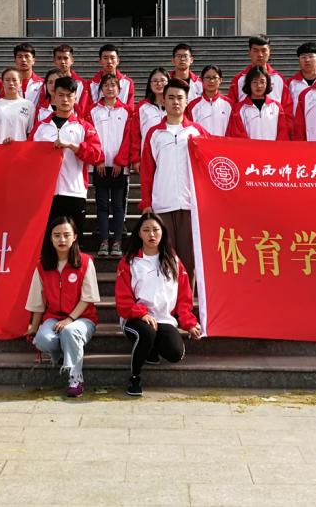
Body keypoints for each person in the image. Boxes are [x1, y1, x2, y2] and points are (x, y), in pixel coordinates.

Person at [115, 211, 202, 398]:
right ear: (139, 234)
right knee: (146, 332)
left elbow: (184, 297)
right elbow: (123, 300)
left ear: (163, 231)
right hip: (135, 318)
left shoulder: (173, 260)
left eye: (155, 230)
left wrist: (189, 323)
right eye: (146, 230)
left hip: (164, 319)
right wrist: (141, 314)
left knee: (176, 353)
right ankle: (135, 377)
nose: (151, 234)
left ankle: (150, 350)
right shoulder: (129, 262)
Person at [139, 78, 209, 280]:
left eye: (180, 98)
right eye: (171, 97)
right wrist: (146, 202)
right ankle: (168, 299)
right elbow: (147, 171)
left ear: (187, 102)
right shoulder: (154, 133)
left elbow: (209, 166)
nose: (175, 102)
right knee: (166, 259)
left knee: (189, 261)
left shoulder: (197, 132)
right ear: (163, 101)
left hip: (190, 205)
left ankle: (186, 301)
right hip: (162, 204)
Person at [25, 217, 100, 398]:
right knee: (43, 340)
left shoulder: (85, 262)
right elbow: (37, 301)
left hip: (83, 318)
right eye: (57, 235)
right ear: (50, 238)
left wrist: (70, 319)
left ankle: (76, 378)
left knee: (70, 332)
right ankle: (62, 354)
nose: (62, 239)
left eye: (66, 235)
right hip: (53, 317)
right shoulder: (43, 265)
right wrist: (34, 328)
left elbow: (88, 298)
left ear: (75, 237)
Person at [30, 76, 104, 229]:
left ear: (75, 97)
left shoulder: (84, 127)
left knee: (74, 238)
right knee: (47, 238)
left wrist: (72, 146)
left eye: (69, 96)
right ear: (53, 96)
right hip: (45, 193)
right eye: (61, 95)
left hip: (74, 191)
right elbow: (28, 155)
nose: (65, 99)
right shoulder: (40, 127)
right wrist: (12, 145)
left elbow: (96, 156)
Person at [86, 73, 132, 258]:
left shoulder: (127, 111)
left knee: (118, 206)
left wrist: (121, 161)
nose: (110, 88)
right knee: (102, 205)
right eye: (106, 85)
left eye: (113, 85)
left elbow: (129, 138)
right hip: (100, 166)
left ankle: (117, 242)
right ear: (101, 89)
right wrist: (97, 159)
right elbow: (90, 136)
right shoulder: (92, 111)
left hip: (119, 167)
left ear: (119, 89)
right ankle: (104, 241)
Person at [228, 35, 293, 114]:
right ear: (249, 53)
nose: (260, 55)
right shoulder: (239, 79)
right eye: (255, 51)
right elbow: (232, 109)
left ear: (269, 52)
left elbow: (287, 110)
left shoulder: (279, 79)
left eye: (263, 50)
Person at [227, 66, 292, 141]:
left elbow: (283, 133)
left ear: (267, 84)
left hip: (273, 148)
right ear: (249, 84)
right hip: (248, 148)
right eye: (255, 82)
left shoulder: (276, 107)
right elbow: (237, 134)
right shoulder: (239, 109)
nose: (259, 86)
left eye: (262, 82)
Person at [126, 67, 170, 171]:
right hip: (148, 157)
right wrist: (136, 158)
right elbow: (135, 134)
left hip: (171, 155)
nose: (159, 84)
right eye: (155, 81)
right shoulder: (142, 106)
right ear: (150, 84)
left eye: (162, 80)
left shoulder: (174, 105)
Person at [0, 67, 34, 145]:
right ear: (3, 83)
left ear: (20, 83)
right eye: (7, 80)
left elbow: (30, 133)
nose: (11, 83)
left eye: (14, 80)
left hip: (20, 150)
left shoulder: (29, 105)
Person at [185, 64, 236, 137]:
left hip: (223, 143)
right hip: (201, 143)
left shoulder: (229, 104)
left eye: (214, 77)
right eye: (208, 77)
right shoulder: (192, 106)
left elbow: (233, 130)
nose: (211, 81)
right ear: (202, 80)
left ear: (220, 80)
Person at [52, 43, 91, 116]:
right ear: (54, 61)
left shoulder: (81, 84)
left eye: (65, 58)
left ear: (72, 60)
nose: (62, 62)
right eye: (59, 58)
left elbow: (84, 109)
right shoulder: (49, 83)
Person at [289, 42, 316, 107]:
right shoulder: (291, 83)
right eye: (303, 57)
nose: (307, 60)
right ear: (299, 61)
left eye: (311, 56)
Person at [14, 42, 45, 107]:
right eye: (20, 57)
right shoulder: (8, 83)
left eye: (27, 56)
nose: (23, 60)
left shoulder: (42, 84)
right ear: (15, 60)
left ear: (33, 60)